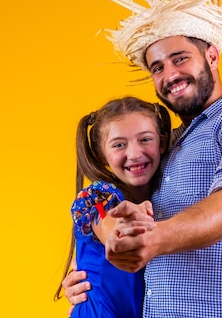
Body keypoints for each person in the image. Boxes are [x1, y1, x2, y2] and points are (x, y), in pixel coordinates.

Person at [63, 0, 222, 317]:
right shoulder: (168, 146)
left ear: (211, 55)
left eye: (180, 58)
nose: (170, 74)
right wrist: (89, 274)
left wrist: (154, 240)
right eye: (157, 67)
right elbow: (115, 222)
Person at [55, 96, 171, 318]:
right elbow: (110, 228)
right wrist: (122, 229)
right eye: (119, 144)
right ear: (101, 155)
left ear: (162, 142)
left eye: (145, 139)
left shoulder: (166, 200)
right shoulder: (97, 197)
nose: (135, 154)